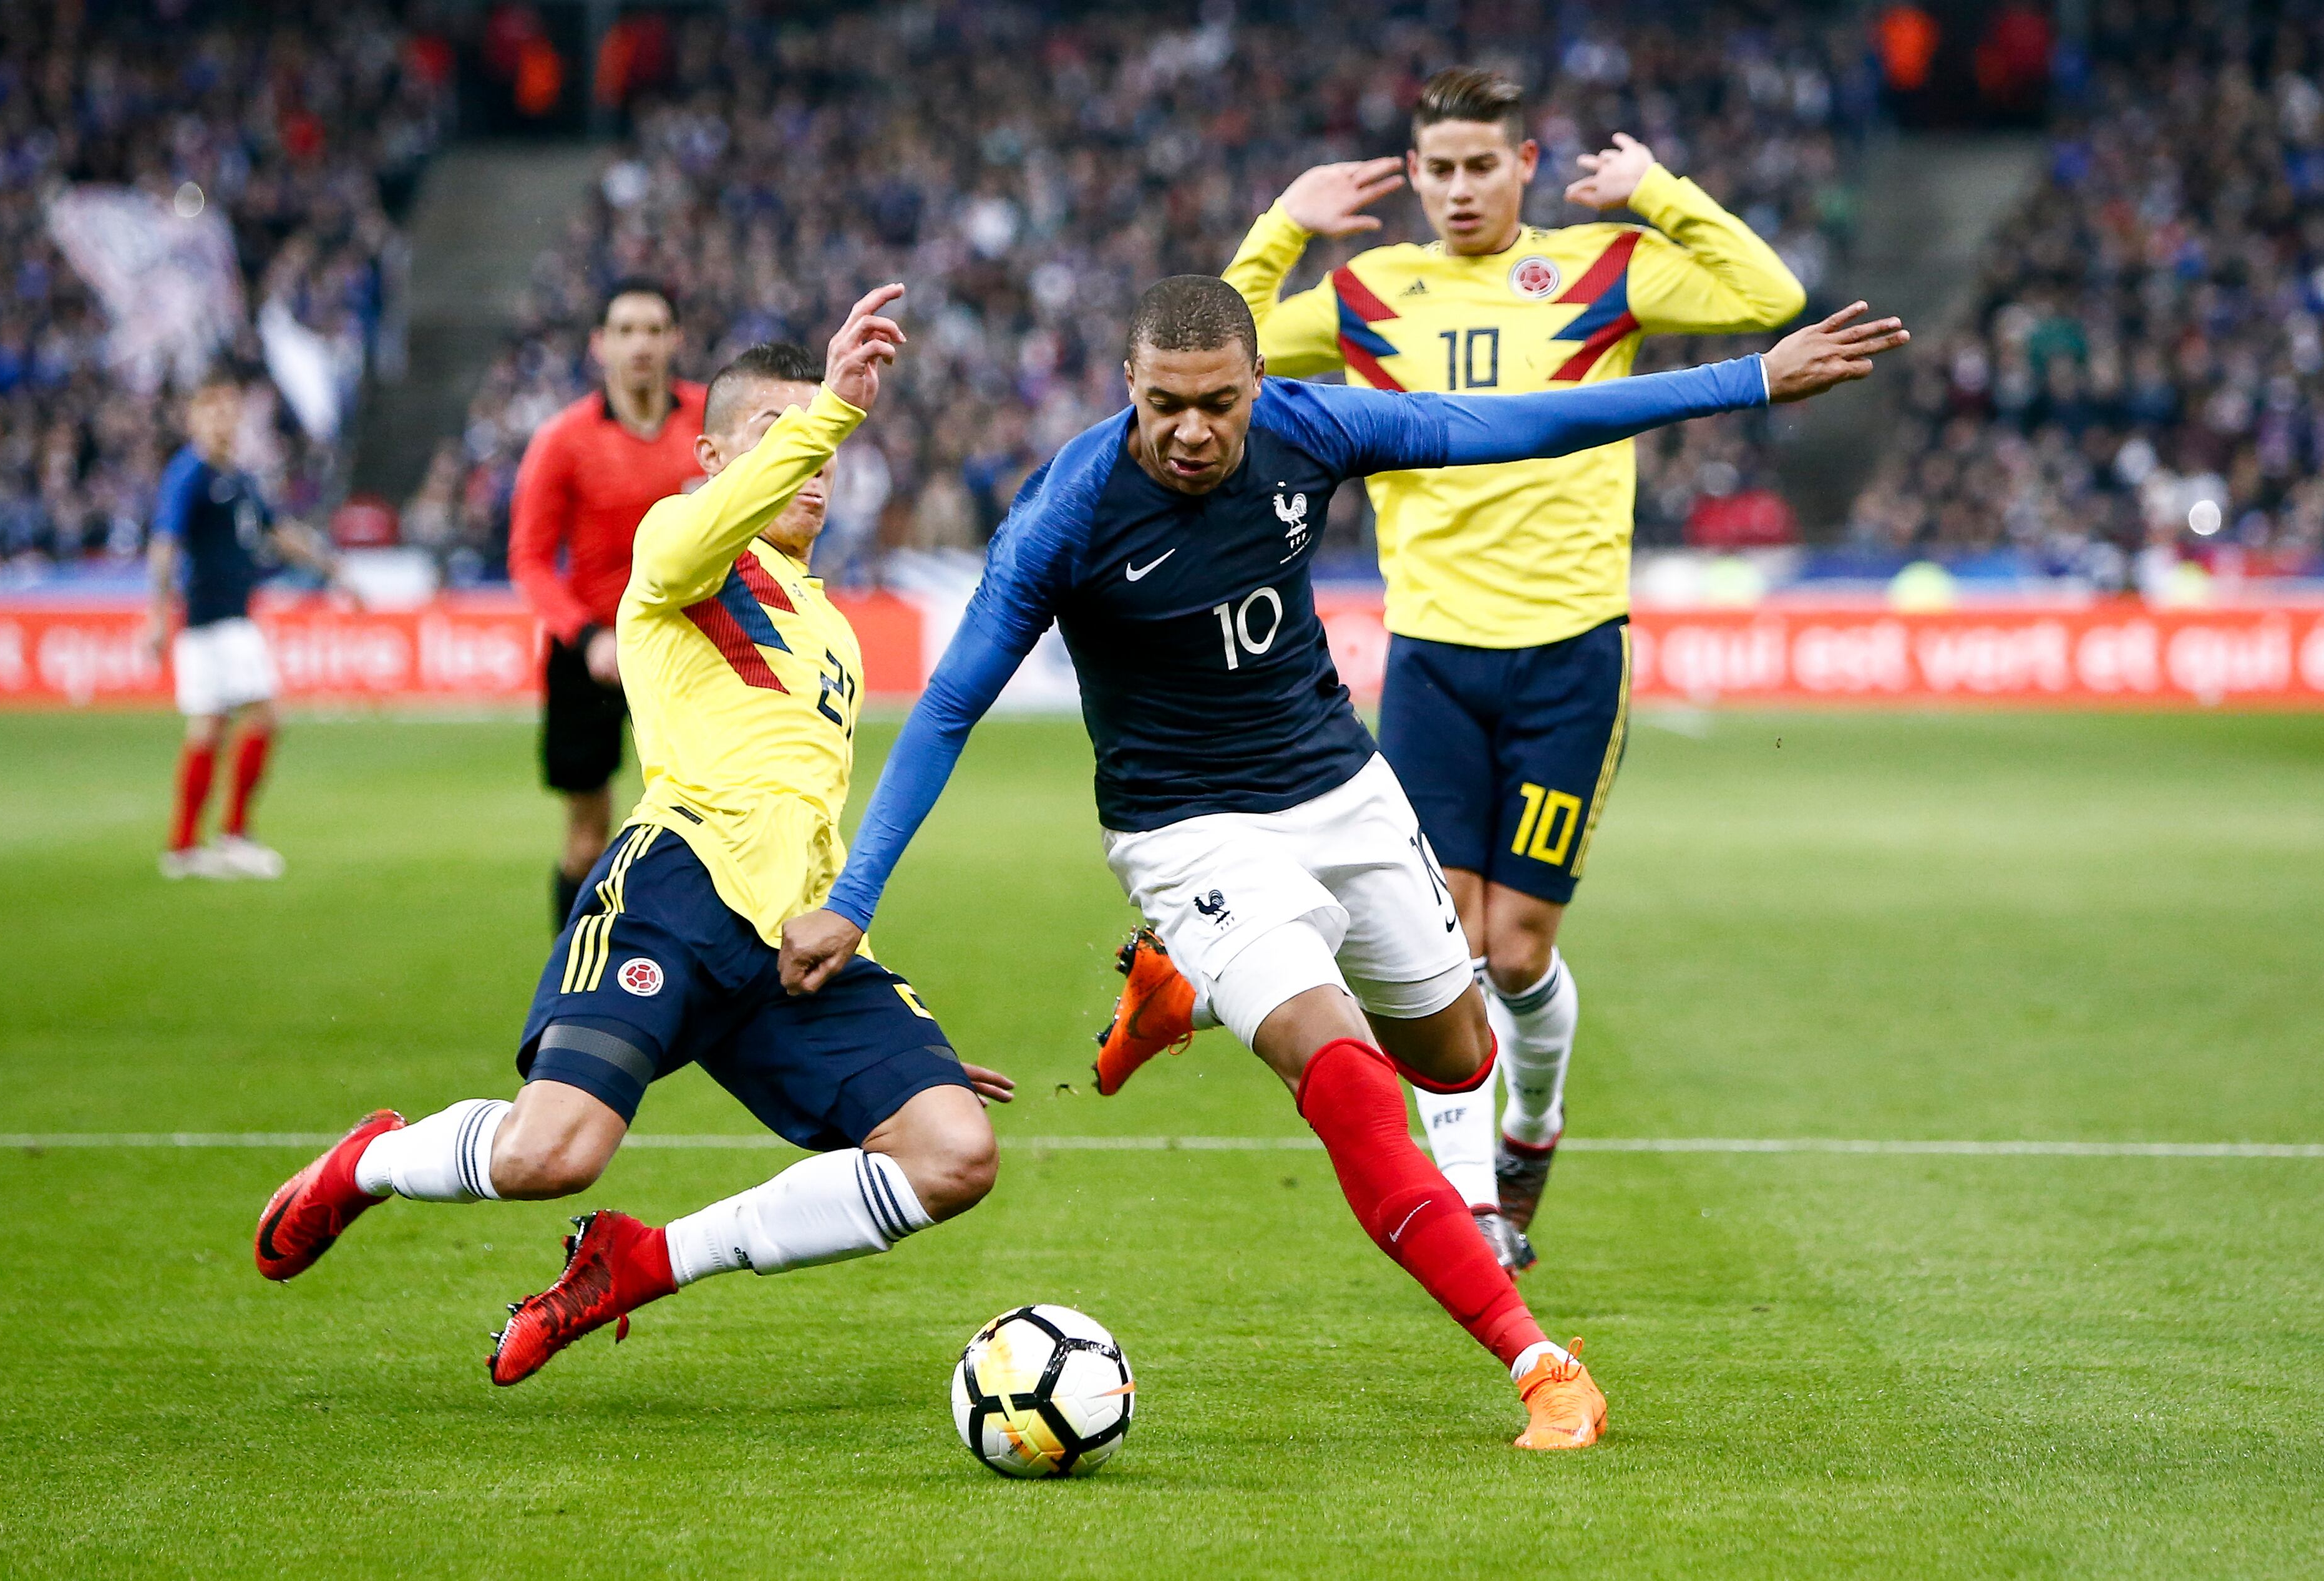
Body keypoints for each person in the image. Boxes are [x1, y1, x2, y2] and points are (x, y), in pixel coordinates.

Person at [780, 276, 1903, 1448]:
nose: (1192, 430)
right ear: (1127, 386)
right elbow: (953, 701)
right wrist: (852, 900)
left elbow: (1512, 422)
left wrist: (1750, 380)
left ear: (1257, 383)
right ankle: (1538, 1362)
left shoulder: (1309, 430)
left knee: (1456, 1050)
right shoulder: (1066, 512)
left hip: (1343, 790)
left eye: (1218, 401)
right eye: (1165, 402)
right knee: (1351, 1079)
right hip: (1187, 829)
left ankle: (1185, 985)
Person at [1102, 67, 1811, 1276]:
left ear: (1525, 165)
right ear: (1414, 177)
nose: (1458, 188)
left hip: (1572, 648)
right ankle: (1480, 1202)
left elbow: (1770, 294)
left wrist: (1657, 196)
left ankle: (1533, 1120)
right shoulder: (1372, 288)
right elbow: (1216, 337)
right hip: (1431, 652)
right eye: (1437, 169)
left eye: (1482, 164)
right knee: (1447, 947)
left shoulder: (1598, 267)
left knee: (1519, 949)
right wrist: (1284, 220)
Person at [256, 293, 1018, 1388]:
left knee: (952, 1150)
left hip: (785, 943)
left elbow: (802, 809)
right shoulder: (681, 549)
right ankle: (368, 1161)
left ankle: (640, 1262)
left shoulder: (832, 626)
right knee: (548, 1154)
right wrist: (837, 409)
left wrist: (870, 981)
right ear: (711, 455)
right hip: (672, 889)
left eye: (825, 447)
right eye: (778, 436)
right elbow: (707, 532)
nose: (814, 463)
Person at [508, 278, 709, 929]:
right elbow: (530, 560)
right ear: (599, 344)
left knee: (704, 834)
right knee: (588, 836)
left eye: (654, 329)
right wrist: (587, 634)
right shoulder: (563, 440)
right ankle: (571, 984)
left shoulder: (712, 422)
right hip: (592, 652)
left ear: (676, 339)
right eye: (625, 330)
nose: (641, 344)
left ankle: (693, 984)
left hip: (691, 645)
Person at [143, 375, 349, 880]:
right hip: (214, 620)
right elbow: (165, 544)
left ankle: (186, 846)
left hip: (229, 617)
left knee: (211, 727)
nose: (223, 422)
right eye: (213, 412)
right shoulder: (189, 474)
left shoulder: (238, 476)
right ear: (195, 419)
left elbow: (276, 531)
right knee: (263, 717)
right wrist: (156, 616)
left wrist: (331, 567)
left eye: (230, 412)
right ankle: (233, 835)